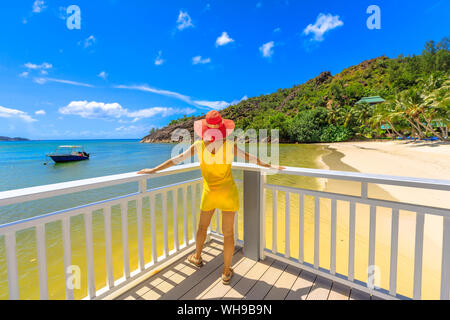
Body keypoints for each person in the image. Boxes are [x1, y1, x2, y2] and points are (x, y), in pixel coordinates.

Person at [138, 110, 284, 285]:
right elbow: (251, 158)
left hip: (210, 193)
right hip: (228, 193)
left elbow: (176, 159)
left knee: (202, 227)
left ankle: (197, 257)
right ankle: (225, 271)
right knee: (228, 234)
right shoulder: (230, 146)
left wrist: (153, 170)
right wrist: (270, 165)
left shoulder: (198, 146)